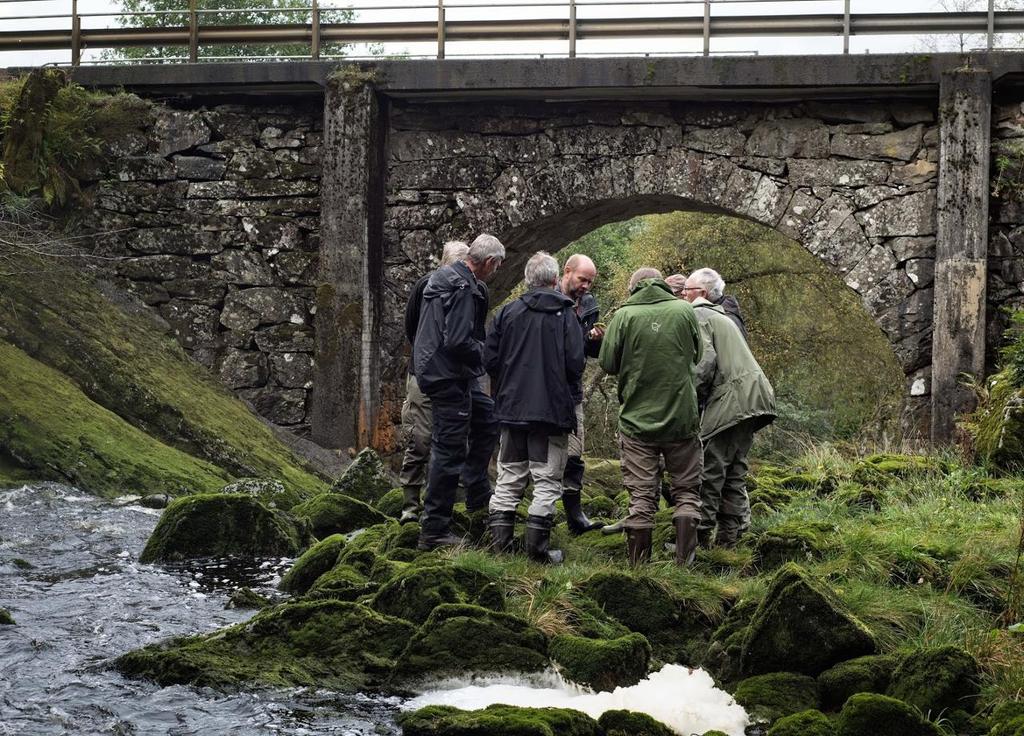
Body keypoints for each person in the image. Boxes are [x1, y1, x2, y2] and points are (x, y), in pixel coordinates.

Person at [598, 267, 704, 566]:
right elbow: (696, 355)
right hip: (681, 417)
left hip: (637, 420)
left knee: (641, 497)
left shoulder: (623, 316)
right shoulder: (685, 310)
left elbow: (607, 363)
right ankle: (684, 565)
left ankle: (640, 571)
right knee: (686, 491)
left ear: (633, 287)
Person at [485, 252, 585, 564]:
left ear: (529, 279)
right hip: (550, 414)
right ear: (556, 280)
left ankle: (501, 548)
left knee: (509, 477)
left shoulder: (507, 313)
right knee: (546, 481)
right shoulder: (567, 314)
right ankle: (537, 551)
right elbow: (575, 364)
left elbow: (488, 359)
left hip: (512, 411)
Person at [413, 233, 505, 551]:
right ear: (490, 262)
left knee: (488, 418)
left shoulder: (444, 278)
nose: (496, 273)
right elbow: (459, 341)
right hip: (448, 374)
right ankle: (435, 529)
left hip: (445, 371)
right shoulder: (464, 287)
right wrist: (489, 355)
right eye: (497, 267)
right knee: (448, 448)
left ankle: (478, 494)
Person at [681, 267, 776, 548]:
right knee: (735, 470)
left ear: (700, 293)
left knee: (709, 469)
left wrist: (688, 401)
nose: (682, 295)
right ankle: (729, 541)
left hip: (732, 400)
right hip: (756, 396)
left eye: (685, 290)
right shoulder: (724, 317)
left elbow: (703, 365)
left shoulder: (699, 314)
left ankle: (698, 540)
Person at [399, 240, 469, 524]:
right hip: (424, 375)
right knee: (419, 438)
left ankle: (443, 504)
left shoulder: (468, 289)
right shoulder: (425, 286)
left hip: (453, 377)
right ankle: (410, 504)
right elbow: (411, 327)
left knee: (452, 440)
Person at [557, 253, 605, 535]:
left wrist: (594, 341)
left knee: (575, 454)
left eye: (590, 281)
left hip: (573, 390)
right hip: (546, 389)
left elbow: (587, 352)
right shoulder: (547, 298)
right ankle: (542, 514)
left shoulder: (588, 306)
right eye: (582, 279)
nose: (586, 286)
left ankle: (575, 516)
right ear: (567, 272)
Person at [666, 272, 748, 342]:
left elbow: (708, 358)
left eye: (687, 289)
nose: (683, 293)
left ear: (702, 293)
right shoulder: (722, 315)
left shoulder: (714, 320)